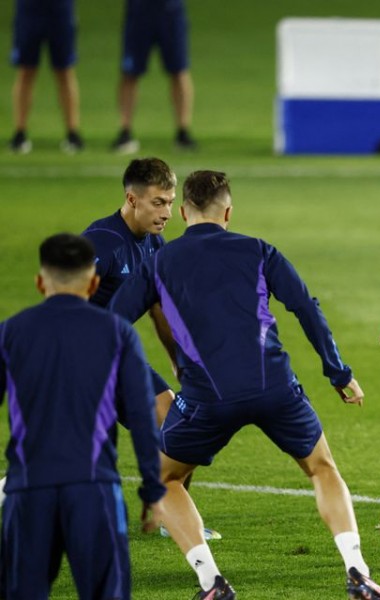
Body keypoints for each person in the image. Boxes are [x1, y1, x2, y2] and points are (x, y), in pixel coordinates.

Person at [109, 170, 380, 600]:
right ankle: (357, 571)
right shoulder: (258, 249)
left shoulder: (160, 261)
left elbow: (112, 322)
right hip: (276, 387)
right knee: (321, 468)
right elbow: (305, 307)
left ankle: (212, 583)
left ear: (183, 212)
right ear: (229, 211)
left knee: (165, 479)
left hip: (208, 397)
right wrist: (339, 372)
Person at [0, 233, 164, 599]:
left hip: (28, 491)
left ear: (41, 281)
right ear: (93, 282)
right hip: (93, 490)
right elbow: (141, 415)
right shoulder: (117, 333)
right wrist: (153, 488)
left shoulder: (10, 333)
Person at [78, 157, 221, 542]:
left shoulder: (155, 244)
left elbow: (161, 310)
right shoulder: (102, 242)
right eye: (158, 203)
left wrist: (180, 363)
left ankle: (172, 519)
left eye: (171, 202)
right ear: (132, 199)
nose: (167, 213)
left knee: (180, 429)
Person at [110, 0, 197, 153]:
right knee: (130, 71)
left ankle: (183, 131)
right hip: (139, 9)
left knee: (179, 70)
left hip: (170, 9)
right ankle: (125, 130)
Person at [8, 0, 84, 154]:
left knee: (64, 70)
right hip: (29, 9)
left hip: (59, 8)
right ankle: (20, 132)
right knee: (26, 70)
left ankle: (73, 132)